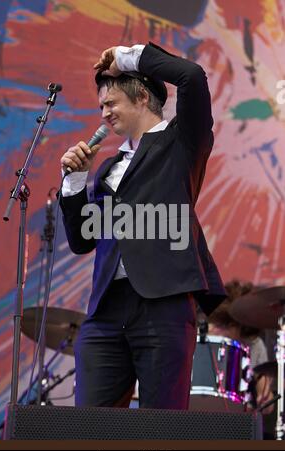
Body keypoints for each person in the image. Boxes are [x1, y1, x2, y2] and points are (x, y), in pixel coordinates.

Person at [59, 42, 226, 409]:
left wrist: (126, 56)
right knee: (89, 426)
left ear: (141, 98)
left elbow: (192, 76)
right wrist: (73, 184)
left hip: (163, 303)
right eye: (101, 106)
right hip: (106, 311)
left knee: (160, 428)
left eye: (110, 103)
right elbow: (82, 242)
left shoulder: (182, 142)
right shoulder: (107, 169)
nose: (104, 114)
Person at [207, 279, 274, 415]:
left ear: (239, 325)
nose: (216, 330)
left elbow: (268, 406)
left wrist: (265, 399)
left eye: (224, 326)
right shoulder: (199, 339)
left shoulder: (254, 345)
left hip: (239, 419)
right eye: (216, 325)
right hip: (198, 414)